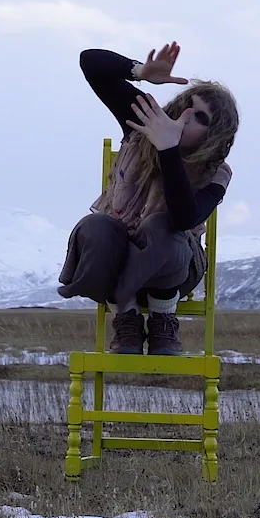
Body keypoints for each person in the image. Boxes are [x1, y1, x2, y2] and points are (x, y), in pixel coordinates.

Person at [57, 43, 239, 355]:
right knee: (96, 227)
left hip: (172, 270)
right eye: (187, 107)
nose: (186, 118)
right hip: (116, 261)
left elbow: (184, 219)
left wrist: (168, 150)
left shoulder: (216, 174)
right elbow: (90, 62)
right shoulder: (143, 123)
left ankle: (162, 321)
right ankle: (125, 319)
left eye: (201, 119)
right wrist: (140, 72)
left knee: (161, 226)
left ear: (213, 137)